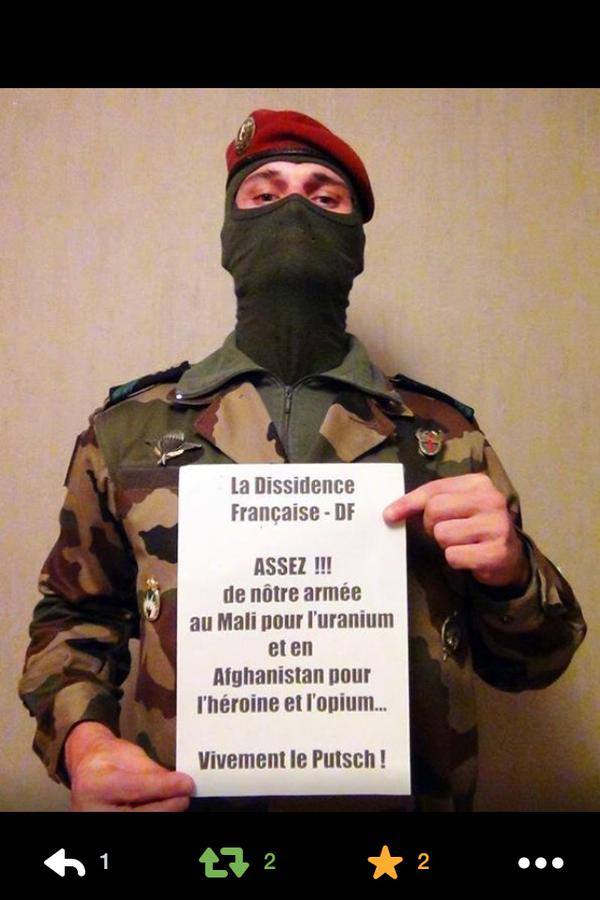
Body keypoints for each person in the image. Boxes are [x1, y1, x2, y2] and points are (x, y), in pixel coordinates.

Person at [19, 109, 586, 813]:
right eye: (265, 193)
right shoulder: (129, 433)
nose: (294, 211)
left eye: (324, 197)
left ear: (355, 244)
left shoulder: (444, 438)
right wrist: (86, 746)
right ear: (231, 237)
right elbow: (74, 617)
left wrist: (512, 574)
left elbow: (535, 661)